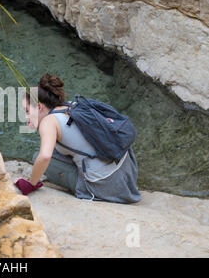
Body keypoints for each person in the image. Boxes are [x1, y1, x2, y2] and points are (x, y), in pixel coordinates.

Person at [15, 73, 141, 203]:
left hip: (104, 185)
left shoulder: (48, 122)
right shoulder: (71, 106)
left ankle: (86, 187)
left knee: (38, 157)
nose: (26, 117)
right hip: (126, 173)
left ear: (40, 106)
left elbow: (45, 156)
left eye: (27, 111)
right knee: (55, 152)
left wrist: (30, 184)